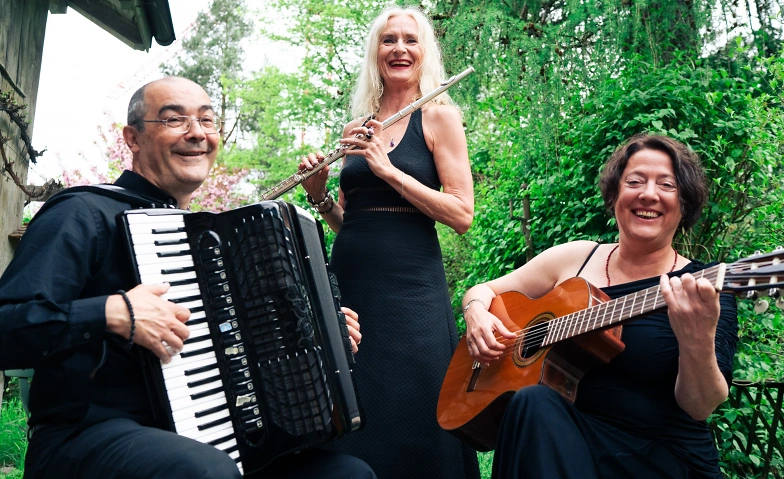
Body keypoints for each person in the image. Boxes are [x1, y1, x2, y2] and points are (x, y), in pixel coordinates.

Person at [0, 76, 375, 479]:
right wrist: (110, 312)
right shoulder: (82, 213)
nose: (196, 133)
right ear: (133, 138)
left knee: (346, 474)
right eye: (174, 119)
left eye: (207, 120)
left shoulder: (209, 239)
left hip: (205, 438)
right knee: (205, 470)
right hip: (84, 438)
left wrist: (320, 334)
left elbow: (249, 346)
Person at [461, 133, 738, 478]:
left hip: (659, 458)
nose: (648, 194)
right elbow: (483, 291)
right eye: (634, 181)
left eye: (666, 185)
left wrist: (696, 340)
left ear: (684, 203)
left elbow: (701, 406)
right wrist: (475, 312)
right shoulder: (576, 258)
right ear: (614, 194)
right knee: (534, 403)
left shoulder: (703, 287)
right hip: (564, 442)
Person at [297, 6, 479, 479]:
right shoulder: (355, 129)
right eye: (388, 40)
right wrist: (318, 195)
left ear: (424, 52)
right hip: (352, 284)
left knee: (418, 398)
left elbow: (461, 214)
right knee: (358, 401)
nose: (400, 49)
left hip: (411, 286)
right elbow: (350, 222)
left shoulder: (439, 117)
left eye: (410, 40)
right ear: (375, 52)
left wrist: (387, 169)